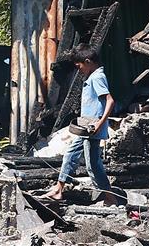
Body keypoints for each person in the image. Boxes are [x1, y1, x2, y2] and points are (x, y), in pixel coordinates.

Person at [45, 45, 116, 204]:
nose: (79, 70)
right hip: (85, 128)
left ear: (88, 61)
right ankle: (59, 188)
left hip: (92, 129)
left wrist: (99, 123)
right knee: (70, 154)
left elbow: (110, 101)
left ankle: (110, 198)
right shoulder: (92, 77)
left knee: (93, 165)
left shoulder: (97, 77)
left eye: (79, 66)